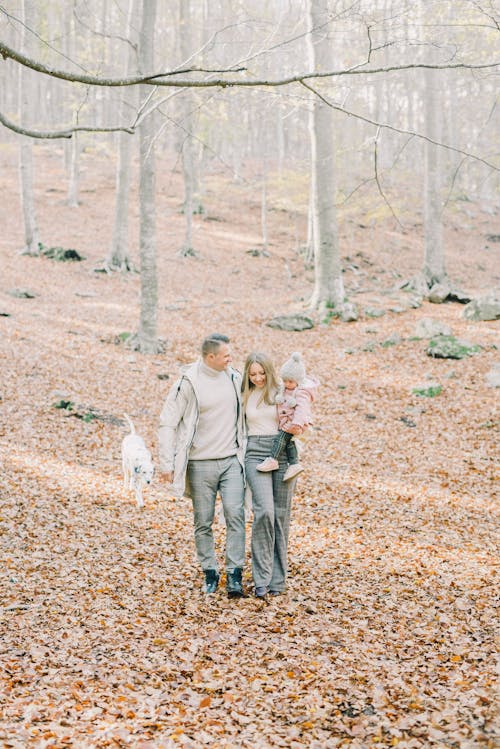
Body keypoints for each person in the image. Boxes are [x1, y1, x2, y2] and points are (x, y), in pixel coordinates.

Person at [158, 333, 246, 598]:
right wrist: (167, 461)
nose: (230, 358)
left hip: (232, 460)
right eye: (225, 355)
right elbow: (168, 422)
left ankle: (234, 574)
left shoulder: (235, 377)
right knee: (203, 521)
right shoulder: (188, 382)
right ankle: (210, 571)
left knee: (235, 515)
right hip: (199, 464)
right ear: (210, 357)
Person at [242, 352, 298, 598]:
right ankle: (261, 578)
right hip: (255, 454)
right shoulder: (243, 393)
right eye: (252, 374)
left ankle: (277, 579)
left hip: (282, 452)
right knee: (264, 511)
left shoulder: (280, 391)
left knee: (281, 516)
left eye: (261, 373)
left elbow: (300, 407)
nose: (258, 378)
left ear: (269, 371)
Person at [257, 352, 319, 483]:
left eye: (290, 381)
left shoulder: (302, 393)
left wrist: (296, 423)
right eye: (285, 380)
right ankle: (294, 464)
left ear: (298, 380)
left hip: (296, 423)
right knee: (289, 442)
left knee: (280, 439)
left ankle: (273, 459)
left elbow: (302, 409)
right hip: (289, 421)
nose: (287, 384)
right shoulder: (285, 389)